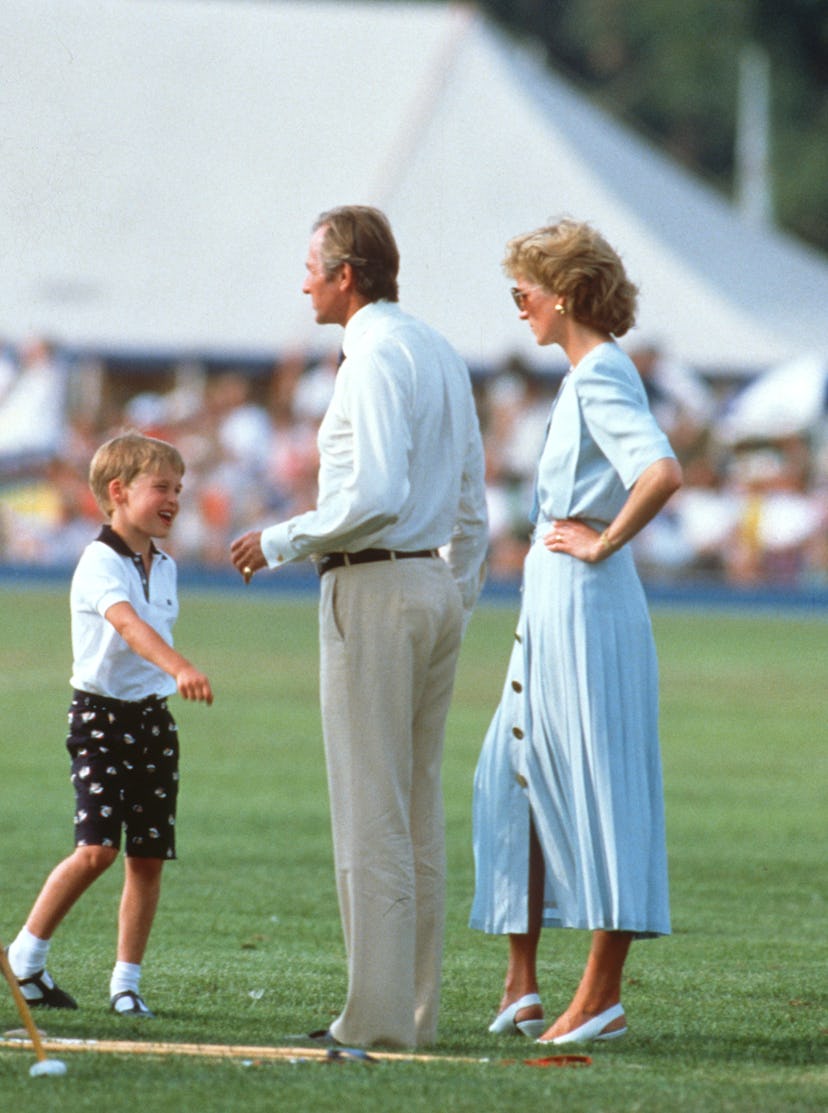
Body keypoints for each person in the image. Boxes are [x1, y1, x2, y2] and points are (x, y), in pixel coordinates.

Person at [230, 204, 488, 1049]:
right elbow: (473, 505)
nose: (302, 279)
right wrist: (451, 593)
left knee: (372, 809)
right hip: (429, 585)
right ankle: (408, 1014)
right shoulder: (438, 349)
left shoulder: (373, 355)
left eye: (312, 264)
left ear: (346, 274)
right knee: (414, 808)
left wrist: (278, 539)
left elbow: (373, 494)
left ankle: (375, 1021)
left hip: (376, 587)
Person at [470, 219, 682, 1046]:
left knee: (601, 786)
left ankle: (600, 995)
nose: (517, 305)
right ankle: (523, 983)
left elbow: (659, 470)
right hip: (550, 598)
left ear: (560, 295)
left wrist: (601, 539)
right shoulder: (580, 377)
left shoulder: (600, 377)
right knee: (508, 774)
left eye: (523, 290)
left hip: (587, 599)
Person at [6, 431, 214, 1017]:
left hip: (152, 722)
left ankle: (126, 985)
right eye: (161, 488)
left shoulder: (165, 564)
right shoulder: (99, 562)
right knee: (96, 850)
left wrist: (167, 681)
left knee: (147, 858)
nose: (174, 498)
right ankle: (24, 959)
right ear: (118, 493)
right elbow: (128, 627)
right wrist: (180, 666)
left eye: (179, 488)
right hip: (99, 720)